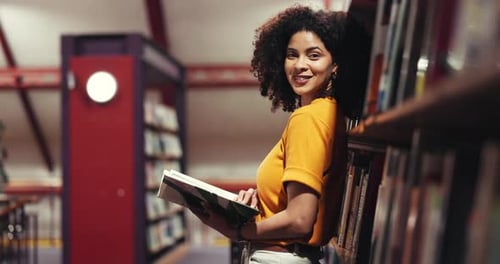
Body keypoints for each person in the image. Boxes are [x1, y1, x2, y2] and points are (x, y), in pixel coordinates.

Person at [189, 4, 371, 264]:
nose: (300, 65)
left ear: (336, 65)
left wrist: (237, 231)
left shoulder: (307, 119)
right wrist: (259, 208)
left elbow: (300, 221)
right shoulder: (333, 115)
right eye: (292, 55)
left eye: (314, 55)